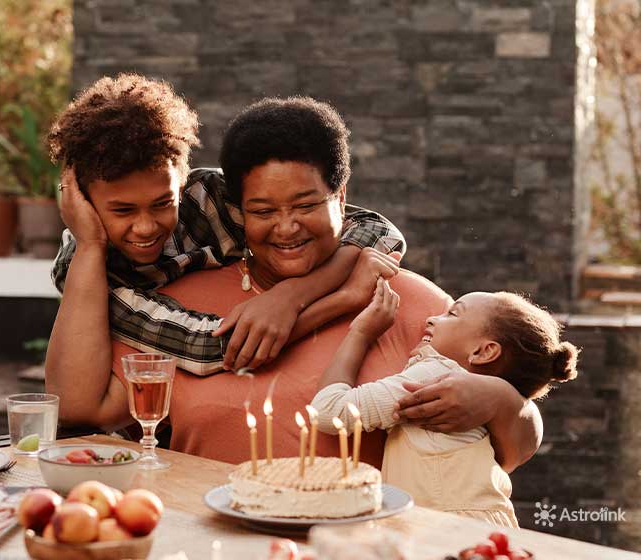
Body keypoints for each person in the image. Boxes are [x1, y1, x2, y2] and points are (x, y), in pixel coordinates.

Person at [47, 95, 543, 470]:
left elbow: (514, 452)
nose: (286, 228)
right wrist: (88, 246)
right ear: (239, 211)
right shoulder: (176, 304)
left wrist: (503, 403)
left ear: (340, 196)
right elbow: (84, 409)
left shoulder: (413, 302)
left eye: (306, 205)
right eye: (263, 211)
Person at [47, 73, 405, 376]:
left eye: (163, 203)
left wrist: (293, 295)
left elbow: (374, 228)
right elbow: (209, 347)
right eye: (122, 211)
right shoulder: (87, 270)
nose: (145, 227)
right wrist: (341, 300)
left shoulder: (209, 201)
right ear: (81, 203)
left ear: (181, 183)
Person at [311, 279, 579, 527]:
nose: (431, 319)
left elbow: (329, 411)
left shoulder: (436, 375)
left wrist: (360, 333)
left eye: (452, 314)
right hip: (474, 523)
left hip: (446, 528)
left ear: (483, 351)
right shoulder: (471, 393)